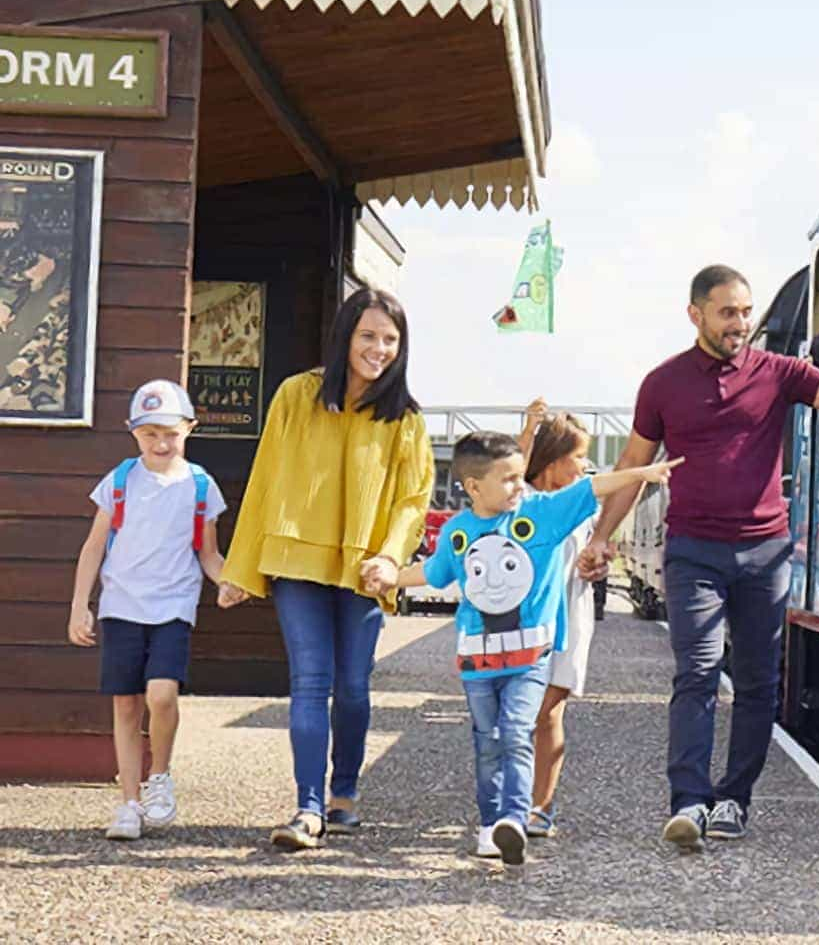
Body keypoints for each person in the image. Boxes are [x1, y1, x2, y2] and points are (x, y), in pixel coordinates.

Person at [580, 264, 819, 850]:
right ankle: (689, 802)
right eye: (728, 313)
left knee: (756, 683)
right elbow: (633, 467)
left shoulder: (776, 373)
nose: (741, 324)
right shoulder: (663, 384)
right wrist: (602, 536)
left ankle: (734, 800)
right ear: (695, 314)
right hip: (693, 551)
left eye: (746, 312)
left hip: (765, 552)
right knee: (697, 672)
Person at [382, 431, 680, 864]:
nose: (518, 487)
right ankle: (490, 825)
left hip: (530, 658)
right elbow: (434, 571)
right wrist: (390, 576)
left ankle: (514, 819)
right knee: (488, 741)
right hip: (477, 661)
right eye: (507, 480)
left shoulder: (540, 513)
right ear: (473, 488)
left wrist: (643, 472)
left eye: (521, 476)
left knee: (518, 733)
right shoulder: (458, 532)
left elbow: (591, 488)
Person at [219, 288, 434, 851]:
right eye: (368, 336)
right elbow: (264, 478)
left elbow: (415, 500)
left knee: (355, 688)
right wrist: (241, 568)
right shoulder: (296, 394)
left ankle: (344, 794)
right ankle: (308, 808)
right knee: (309, 683)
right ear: (345, 336)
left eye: (390, 340)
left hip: (366, 569)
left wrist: (390, 555)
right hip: (296, 559)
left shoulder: (405, 419)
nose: (379, 349)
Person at [65, 379, 245, 840]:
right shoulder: (120, 481)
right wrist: (79, 607)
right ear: (133, 432)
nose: (161, 443)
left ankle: (159, 777)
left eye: (171, 432)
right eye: (150, 434)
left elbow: (208, 553)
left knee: (161, 695)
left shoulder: (201, 486)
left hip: (173, 608)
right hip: (121, 606)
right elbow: (92, 548)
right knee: (125, 705)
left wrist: (228, 581)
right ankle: (128, 802)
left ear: (190, 428)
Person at [514, 400, 603, 838]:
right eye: (578, 456)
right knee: (521, 714)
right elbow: (508, 478)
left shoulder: (582, 504)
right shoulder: (520, 501)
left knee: (548, 711)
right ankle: (515, 802)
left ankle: (540, 807)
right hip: (522, 620)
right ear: (551, 459)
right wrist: (527, 432)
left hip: (570, 615)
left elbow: (595, 550)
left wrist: (597, 562)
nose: (585, 466)